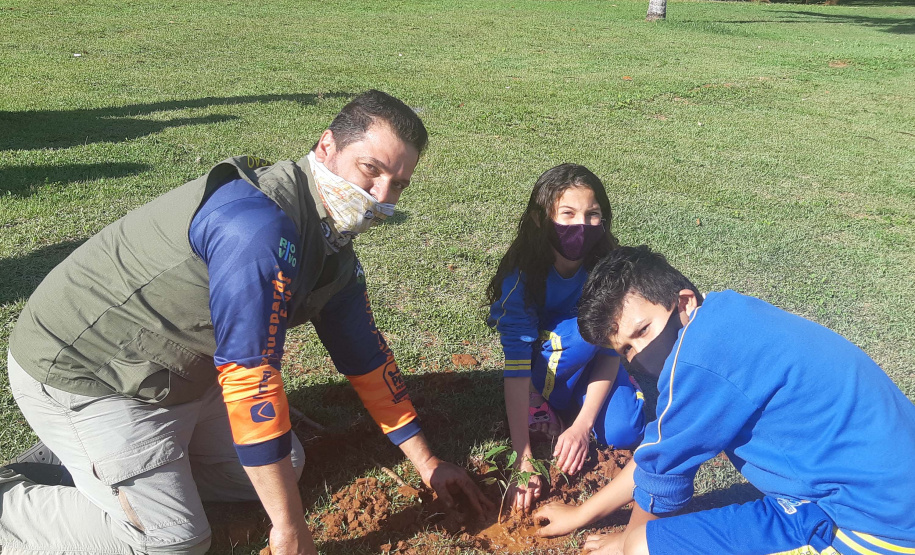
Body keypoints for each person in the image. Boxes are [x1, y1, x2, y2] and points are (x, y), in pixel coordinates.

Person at [1, 90, 489, 555]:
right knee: (172, 540)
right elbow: (251, 378)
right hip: (91, 372)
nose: (382, 196)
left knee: (283, 467)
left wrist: (427, 463)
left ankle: (97, 459)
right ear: (327, 145)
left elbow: (364, 355)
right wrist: (290, 527)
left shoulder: (328, 240)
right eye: (371, 169)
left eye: (398, 183)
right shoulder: (258, 227)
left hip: (168, 373)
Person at [533, 245, 915, 555]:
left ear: (683, 302)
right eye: (627, 349)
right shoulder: (725, 316)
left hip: (873, 524)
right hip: (883, 487)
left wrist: (627, 545)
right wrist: (583, 513)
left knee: (643, 548)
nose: (639, 354)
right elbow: (660, 452)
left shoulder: (698, 362)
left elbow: (660, 482)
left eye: (643, 331)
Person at [486, 164, 646, 513]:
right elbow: (514, 368)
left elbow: (608, 352)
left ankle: (570, 407)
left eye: (593, 215)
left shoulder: (606, 268)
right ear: (542, 220)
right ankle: (542, 400)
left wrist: (582, 426)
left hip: (593, 361)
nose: (581, 225)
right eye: (568, 213)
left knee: (626, 431)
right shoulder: (523, 278)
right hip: (543, 363)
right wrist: (523, 458)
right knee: (580, 334)